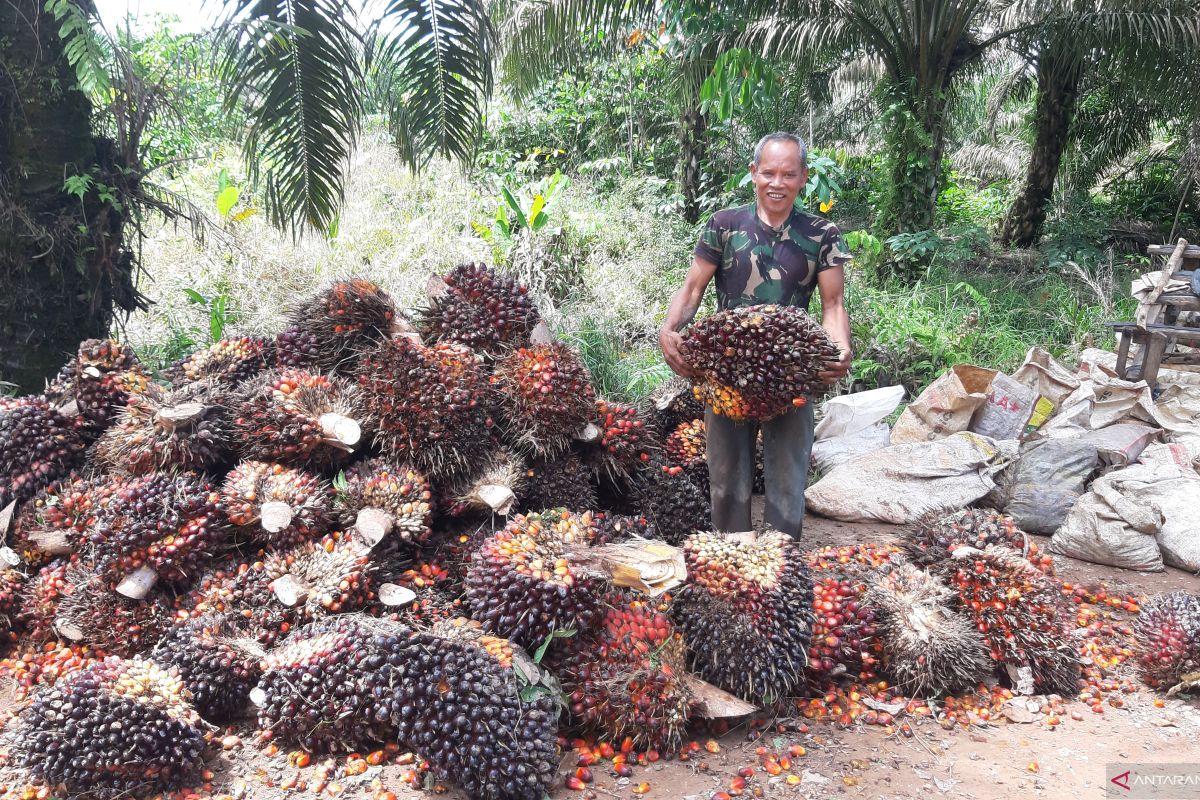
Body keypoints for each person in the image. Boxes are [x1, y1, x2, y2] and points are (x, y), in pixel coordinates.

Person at [658, 131, 853, 539]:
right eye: (768, 173)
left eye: (788, 174)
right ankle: (733, 562)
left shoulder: (822, 232)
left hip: (790, 373)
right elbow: (693, 288)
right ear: (753, 174)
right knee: (727, 478)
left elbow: (832, 304)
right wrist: (669, 329)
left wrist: (839, 350)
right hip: (726, 371)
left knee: (788, 479)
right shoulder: (725, 225)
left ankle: (780, 565)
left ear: (802, 178)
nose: (777, 183)